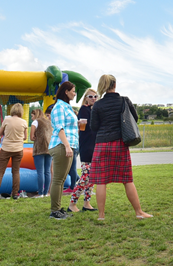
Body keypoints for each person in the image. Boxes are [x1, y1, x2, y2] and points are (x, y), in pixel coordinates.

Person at [90, 74, 152, 221]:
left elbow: (93, 127)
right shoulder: (124, 100)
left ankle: (101, 215)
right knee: (127, 179)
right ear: (115, 84)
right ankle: (138, 212)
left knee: (101, 181)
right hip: (120, 143)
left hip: (102, 144)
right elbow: (134, 119)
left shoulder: (97, 104)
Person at [48, 81, 80, 220]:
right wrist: (67, 145)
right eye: (73, 91)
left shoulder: (66, 106)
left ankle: (59, 209)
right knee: (58, 179)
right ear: (66, 92)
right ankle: (55, 211)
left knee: (60, 180)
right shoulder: (59, 107)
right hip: (61, 145)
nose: (74, 93)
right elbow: (59, 128)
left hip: (68, 145)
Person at [0, 103, 28, 200]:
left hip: (6, 148)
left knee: (0, 171)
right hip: (18, 149)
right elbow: (25, 137)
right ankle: (15, 193)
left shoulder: (7, 120)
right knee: (16, 172)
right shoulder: (24, 122)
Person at [68, 89, 98, 213]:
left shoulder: (94, 110)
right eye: (90, 96)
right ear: (86, 98)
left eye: (95, 96)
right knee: (85, 176)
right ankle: (72, 203)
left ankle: (87, 203)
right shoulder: (84, 110)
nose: (93, 98)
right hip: (87, 146)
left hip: (95, 146)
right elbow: (86, 127)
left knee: (92, 176)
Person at [30, 107, 52, 198]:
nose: (32, 118)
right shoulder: (49, 122)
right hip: (49, 149)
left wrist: (35, 137)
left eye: (32, 116)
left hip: (39, 149)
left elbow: (31, 137)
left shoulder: (35, 122)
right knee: (47, 172)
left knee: (40, 172)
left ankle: (40, 192)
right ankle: (46, 192)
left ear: (35, 115)